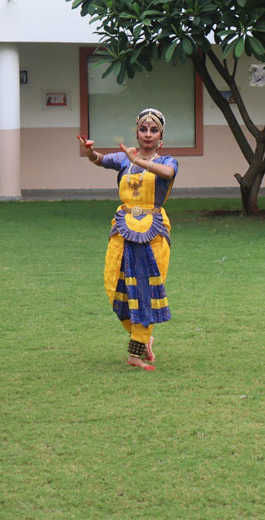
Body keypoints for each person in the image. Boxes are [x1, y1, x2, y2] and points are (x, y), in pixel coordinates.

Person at [78, 108, 177, 371]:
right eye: (143, 129)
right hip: (122, 227)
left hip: (154, 229)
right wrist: (89, 151)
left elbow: (166, 174)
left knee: (146, 288)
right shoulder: (124, 159)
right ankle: (142, 336)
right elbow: (99, 159)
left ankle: (136, 352)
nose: (147, 134)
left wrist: (139, 160)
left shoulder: (167, 161)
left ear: (161, 137)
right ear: (136, 132)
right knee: (114, 286)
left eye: (153, 130)